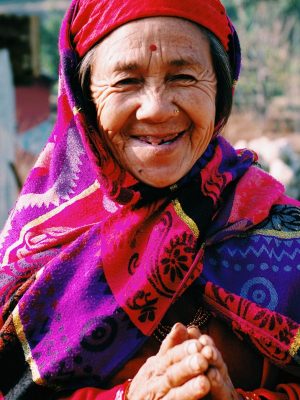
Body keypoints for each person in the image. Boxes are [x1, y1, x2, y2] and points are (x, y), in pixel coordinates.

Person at [0, 0, 299, 399]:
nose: (156, 108)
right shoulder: (41, 245)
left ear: (222, 89)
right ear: (83, 96)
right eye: (126, 81)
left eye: (184, 76)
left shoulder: (282, 232)